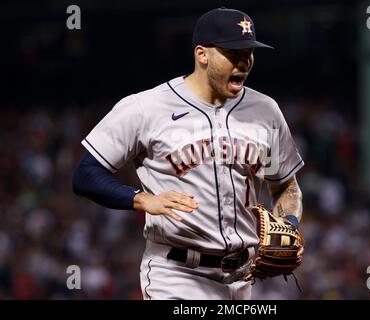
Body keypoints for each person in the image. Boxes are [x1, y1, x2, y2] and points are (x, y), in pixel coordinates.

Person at [72, 7, 305, 300]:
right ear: (202, 54)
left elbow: (283, 184)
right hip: (177, 274)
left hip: (243, 278)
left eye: (249, 52)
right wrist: (142, 199)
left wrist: (289, 223)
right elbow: (85, 175)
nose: (244, 62)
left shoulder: (265, 112)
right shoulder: (147, 108)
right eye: (233, 53)